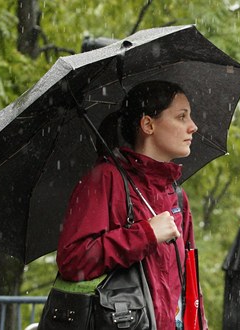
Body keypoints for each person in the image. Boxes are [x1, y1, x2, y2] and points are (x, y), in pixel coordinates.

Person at [55, 80, 206, 330]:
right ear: (148, 124)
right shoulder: (106, 179)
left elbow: (190, 282)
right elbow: (73, 260)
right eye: (181, 117)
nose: (193, 127)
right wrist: (145, 234)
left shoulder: (177, 196)